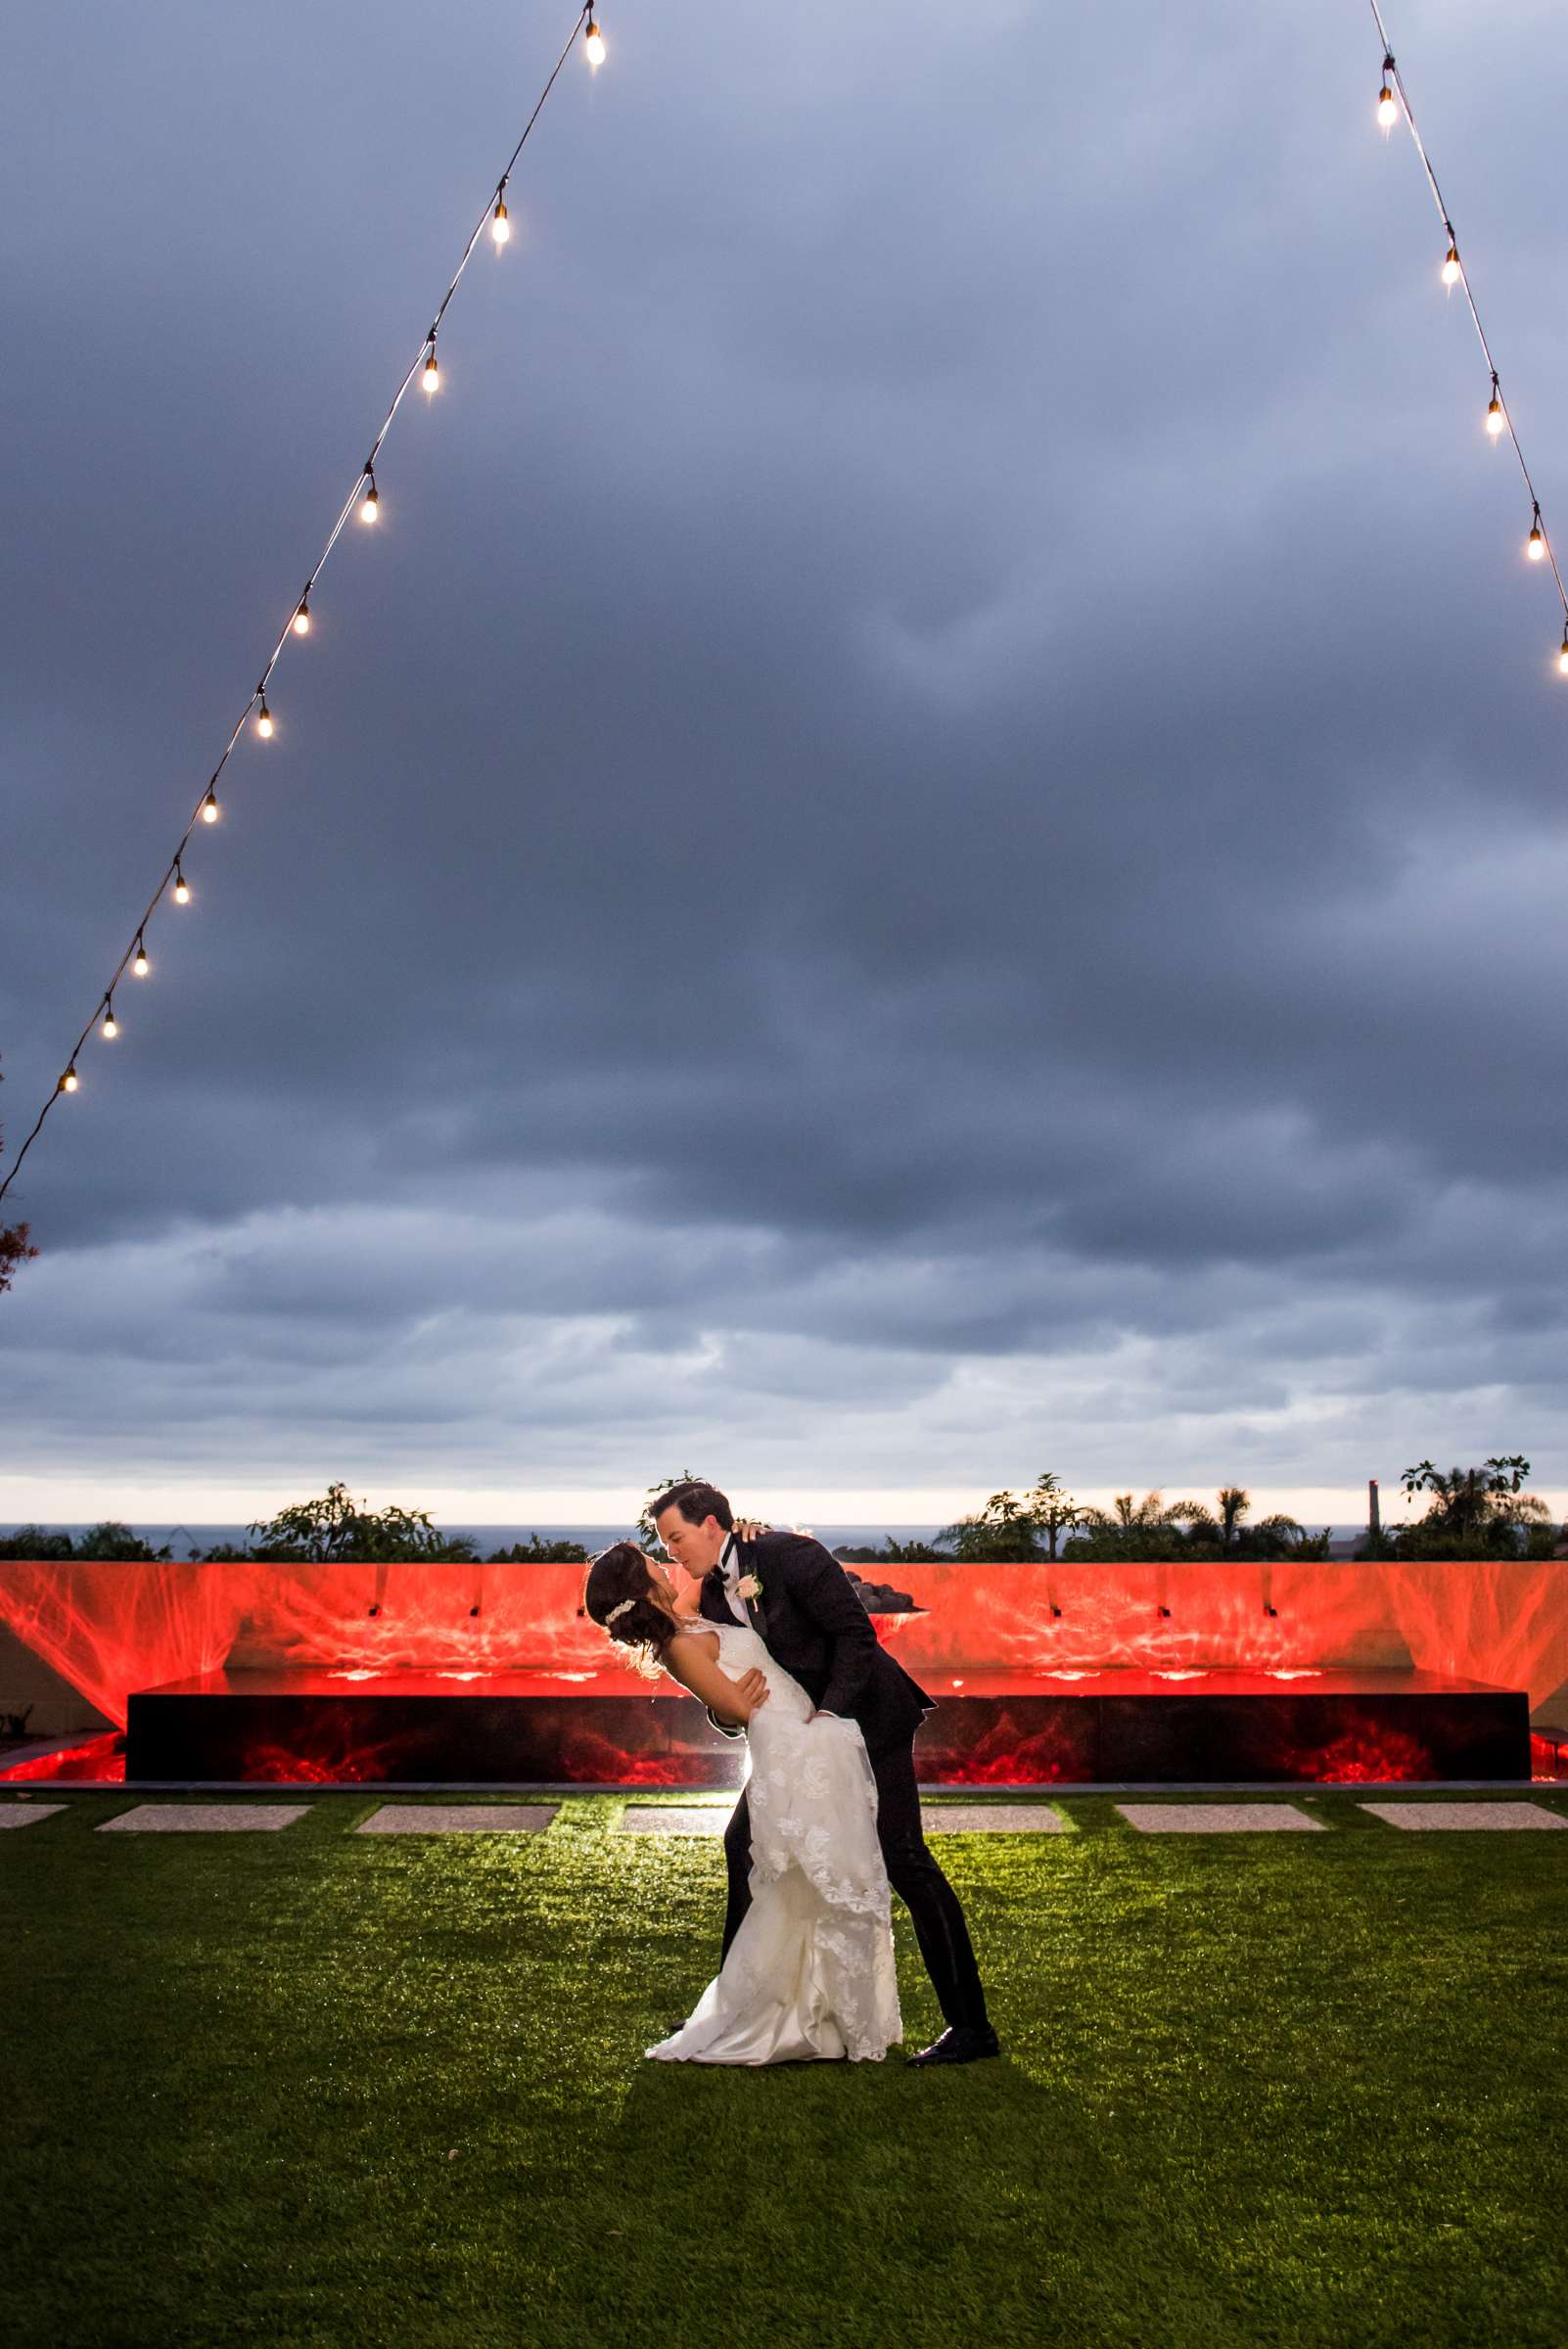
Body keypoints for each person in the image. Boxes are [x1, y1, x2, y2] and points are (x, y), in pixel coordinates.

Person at [650, 1478, 999, 2068]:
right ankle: (730, 2009)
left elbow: (855, 1636)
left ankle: (971, 2027)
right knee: (744, 1845)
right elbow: (729, 1691)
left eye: (677, 1537)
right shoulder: (709, 1597)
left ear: (712, 1525)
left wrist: (832, 1713)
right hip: (799, 1744)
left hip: (868, 1721)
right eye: (665, 1543)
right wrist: (731, 1707)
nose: (673, 1551)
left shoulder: (791, 1555)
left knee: (904, 1859)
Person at [583, 1539, 901, 2063]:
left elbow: (711, 1570)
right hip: (793, 1745)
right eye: (652, 1564)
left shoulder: (680, 1618)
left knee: (818, 1879)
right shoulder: (677, 1645)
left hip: (800, 1730)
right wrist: (739, 1703)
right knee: (814, 1879)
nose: (665, 1565)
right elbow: (735, 1706)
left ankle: (819, 2008)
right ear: (642, 1586)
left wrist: (749, 1532)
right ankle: (779, 2010)